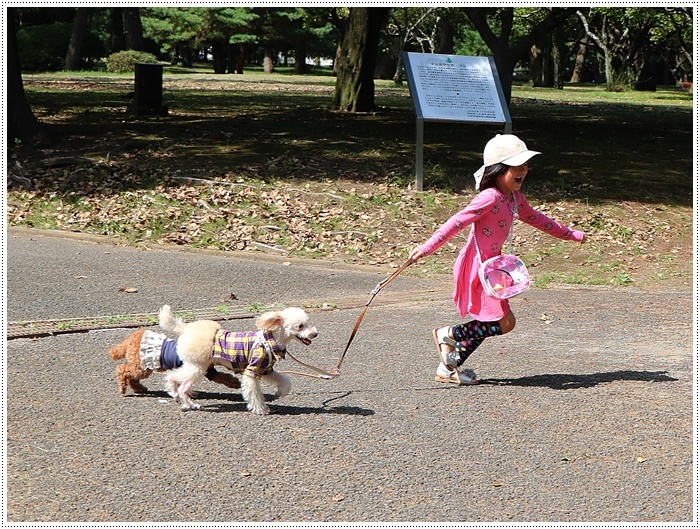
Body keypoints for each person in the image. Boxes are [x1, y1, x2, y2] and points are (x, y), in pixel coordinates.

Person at [409, 134, 586, 385]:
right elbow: (456, 222)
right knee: (504, 322)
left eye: (526, 166)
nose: (524, 171)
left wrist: (569, 234)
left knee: (490, 321)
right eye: (518, 166)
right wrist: (427, 247)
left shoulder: (514, 199)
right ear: (499, 169)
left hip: (494, 269)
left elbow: (539, 220)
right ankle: (447, 334)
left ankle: (448, 366)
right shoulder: (489, 197)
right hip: (477, 266)